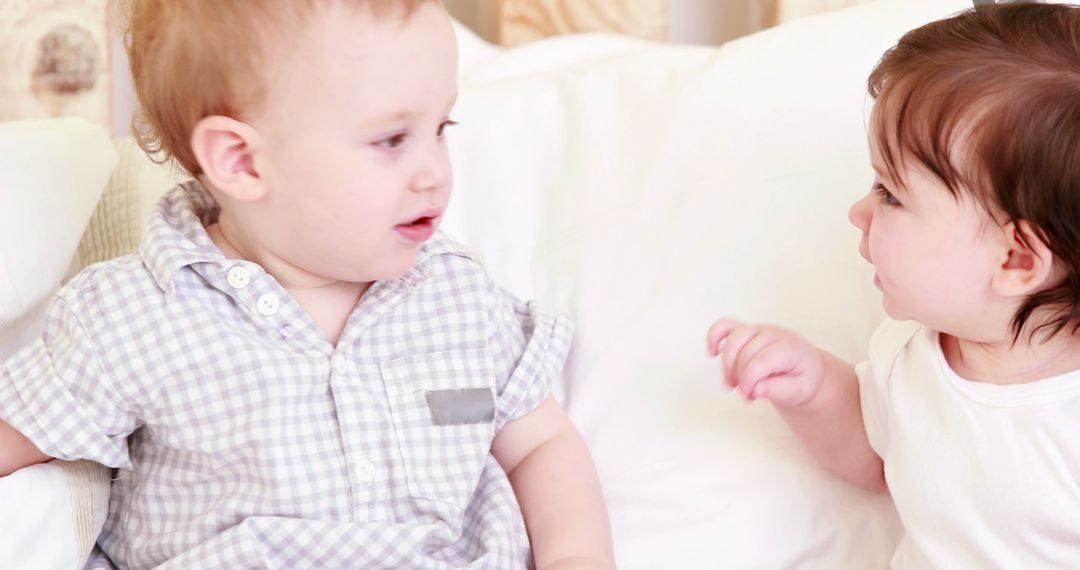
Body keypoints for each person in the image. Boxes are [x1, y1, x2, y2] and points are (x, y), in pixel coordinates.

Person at [0, 1, 614, 568]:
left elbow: (542, 445)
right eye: (392, 140)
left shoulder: (457, 297)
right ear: (242, 162)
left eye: (441, 128)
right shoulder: (134, 314)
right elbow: (19, 433)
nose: (433, 171)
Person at [708, 3, 1080, 567]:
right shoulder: (909, 354)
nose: (858, 211)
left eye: (889, 195)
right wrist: (814, 390)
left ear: (1015, 259)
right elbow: (879, 460)